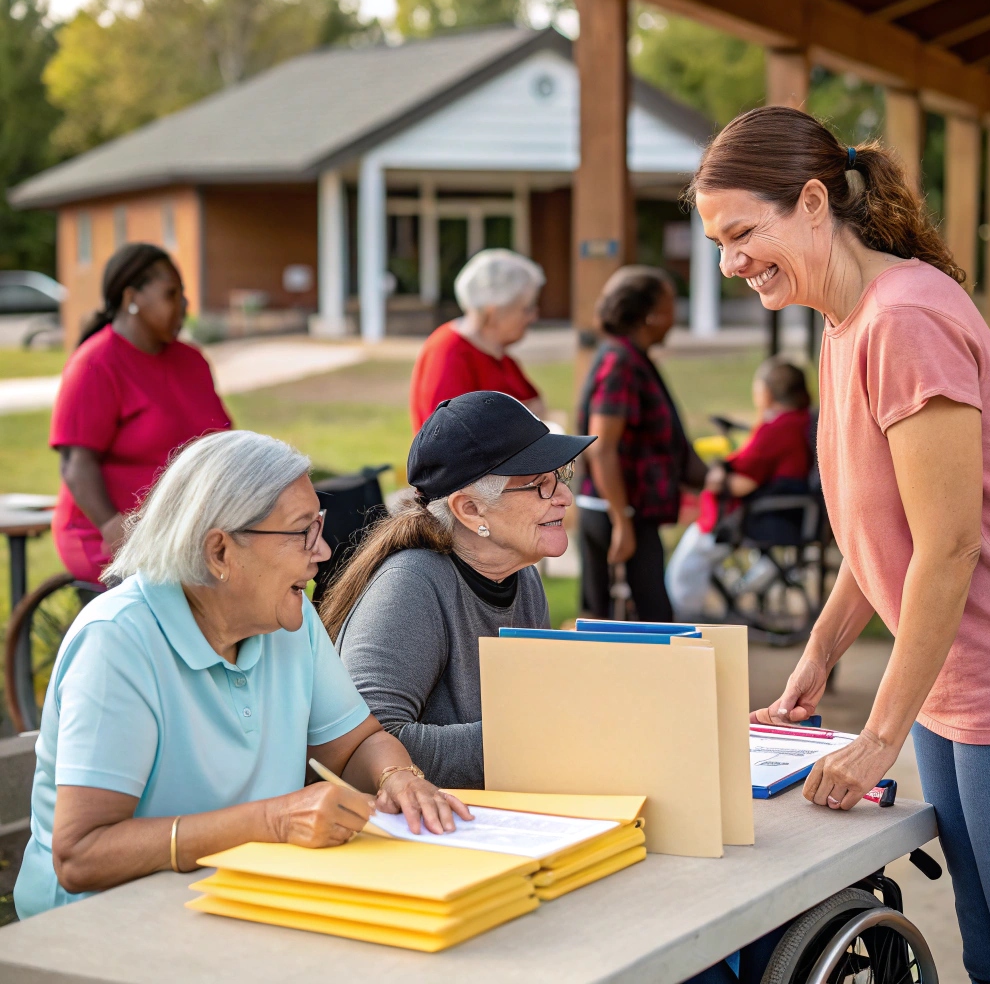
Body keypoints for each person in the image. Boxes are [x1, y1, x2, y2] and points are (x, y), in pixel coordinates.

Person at [694, 105, 990, 981]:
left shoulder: (904, 319)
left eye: (743, 234)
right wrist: (820, 654)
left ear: (813, 203)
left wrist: (879, 736)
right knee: (987, 940)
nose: (731, 264)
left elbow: (949, 547)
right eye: (718, 244)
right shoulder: (847, 321)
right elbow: (885, 532)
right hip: (950, 674)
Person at [14, 430, 470, 920]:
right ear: (219, 552)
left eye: (318, 525)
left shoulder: (288, 620)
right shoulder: (117, 641)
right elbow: (81, 855)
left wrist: (397, 776)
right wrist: (271, 821)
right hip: (101, 927)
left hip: (235, 901)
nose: (322, 550)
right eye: (302, 532)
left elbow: (355, 745)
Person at [321, 391, 595, 789]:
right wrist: (536, 738)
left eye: (561, 476)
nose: (565, 497)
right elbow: (362, 749)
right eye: (540, 484)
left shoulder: (523, 576)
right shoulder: (410, 584)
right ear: (470, 509)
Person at [50, 243, 231, 583]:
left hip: (187, 532)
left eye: (183, 294)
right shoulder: (96, 364)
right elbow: (76, 465)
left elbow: (222, 443)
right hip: (112, 535)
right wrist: (113, 527)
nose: (184, 305)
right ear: (131, 297)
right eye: (171, 294)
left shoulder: (191, 361)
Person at [576, 266, 706, 622]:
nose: (674, 317)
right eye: (670, 306)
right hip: (616, 511)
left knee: (649, 620)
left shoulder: (634, 358)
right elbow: (602, 447)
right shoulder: (620, 363)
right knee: (644, 622)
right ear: (651, 315)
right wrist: (621, 521)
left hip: (630, 511)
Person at [666, 360, 811, 618]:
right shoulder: (799, 421)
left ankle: (683, 618)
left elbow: (743, 483)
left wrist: (712, 478)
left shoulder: (778, 429)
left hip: (761, 516)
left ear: (766, 393)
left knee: (688, 562)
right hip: (781, 511)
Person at [409, 249, 546, 431]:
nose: (533, 317)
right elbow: (446, 437)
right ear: (493, 312)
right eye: (527, 309)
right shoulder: (449, 352)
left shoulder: (498, 355)